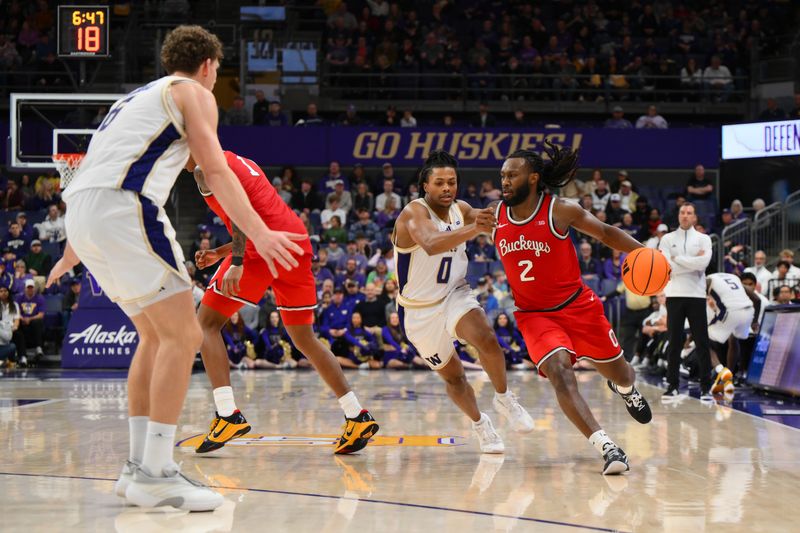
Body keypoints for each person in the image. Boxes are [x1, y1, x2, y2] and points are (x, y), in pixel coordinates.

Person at [47, 26, 306, 511]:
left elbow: (97, 173)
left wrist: (74, 249)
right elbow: (216, 169)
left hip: (83, 212)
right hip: (124, 208)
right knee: (185, 336)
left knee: (155, 336)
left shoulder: (136, 98)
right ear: (209, 66)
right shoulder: (193, 93)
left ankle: (136, 468)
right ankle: (157, 472)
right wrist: (261, 232)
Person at [189, 150, 379, 455]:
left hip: (260, 251)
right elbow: (259, 214)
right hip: (294, 244)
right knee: (304, 337)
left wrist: (236, 261)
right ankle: (357, 415)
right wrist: (221, 254)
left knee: (206, 325)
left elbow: (242, 213)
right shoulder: (241, 160)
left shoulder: (204, 169)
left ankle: (227, 415)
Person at [492, 142, 652, 475]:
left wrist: (648, 255)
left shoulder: (560, 210)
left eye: (512, 175)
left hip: (578, 307)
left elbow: (607, 233)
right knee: (561, 374)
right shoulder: (493, 214)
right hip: (534, 315)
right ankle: (608, 447)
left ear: (533, 178)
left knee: (621, 372)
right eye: (503, 175)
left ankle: (624, 388)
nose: (505, 181)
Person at [392, 150, 534, 454]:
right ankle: (481, 424)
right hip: (418, 312)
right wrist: (476, 228)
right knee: (455, 378)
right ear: (425, 186)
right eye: (440, 183)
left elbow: (492, 216)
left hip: (455, 293)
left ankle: (504, 397)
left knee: (487, 339)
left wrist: (510, 203)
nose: (447, 188)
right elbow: (430, 244)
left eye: (452, 182)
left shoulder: (461, 208)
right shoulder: (413, 214)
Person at [658, 203, 713, 400]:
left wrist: (677, 258)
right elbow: (667, 267)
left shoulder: (704, 239)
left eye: (689, 213)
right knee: (674, 342)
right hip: (674, 295)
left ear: (695, 217)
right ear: (678, 215)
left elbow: (703, 263)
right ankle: (672, 386)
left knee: (702, 342)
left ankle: (707, 388)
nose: (685, 216)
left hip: (697, 295)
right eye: (682, 212)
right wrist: (691, 262)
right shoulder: (667, 239)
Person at [705, 273, 758, 394]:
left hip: (730, 312)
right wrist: (754, 321)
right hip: (748, 310)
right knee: (733, 340)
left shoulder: (707, 280)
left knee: (702, 341)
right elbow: (757, 299)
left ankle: (721, 370)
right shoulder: (734, 278)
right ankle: (729, 378)